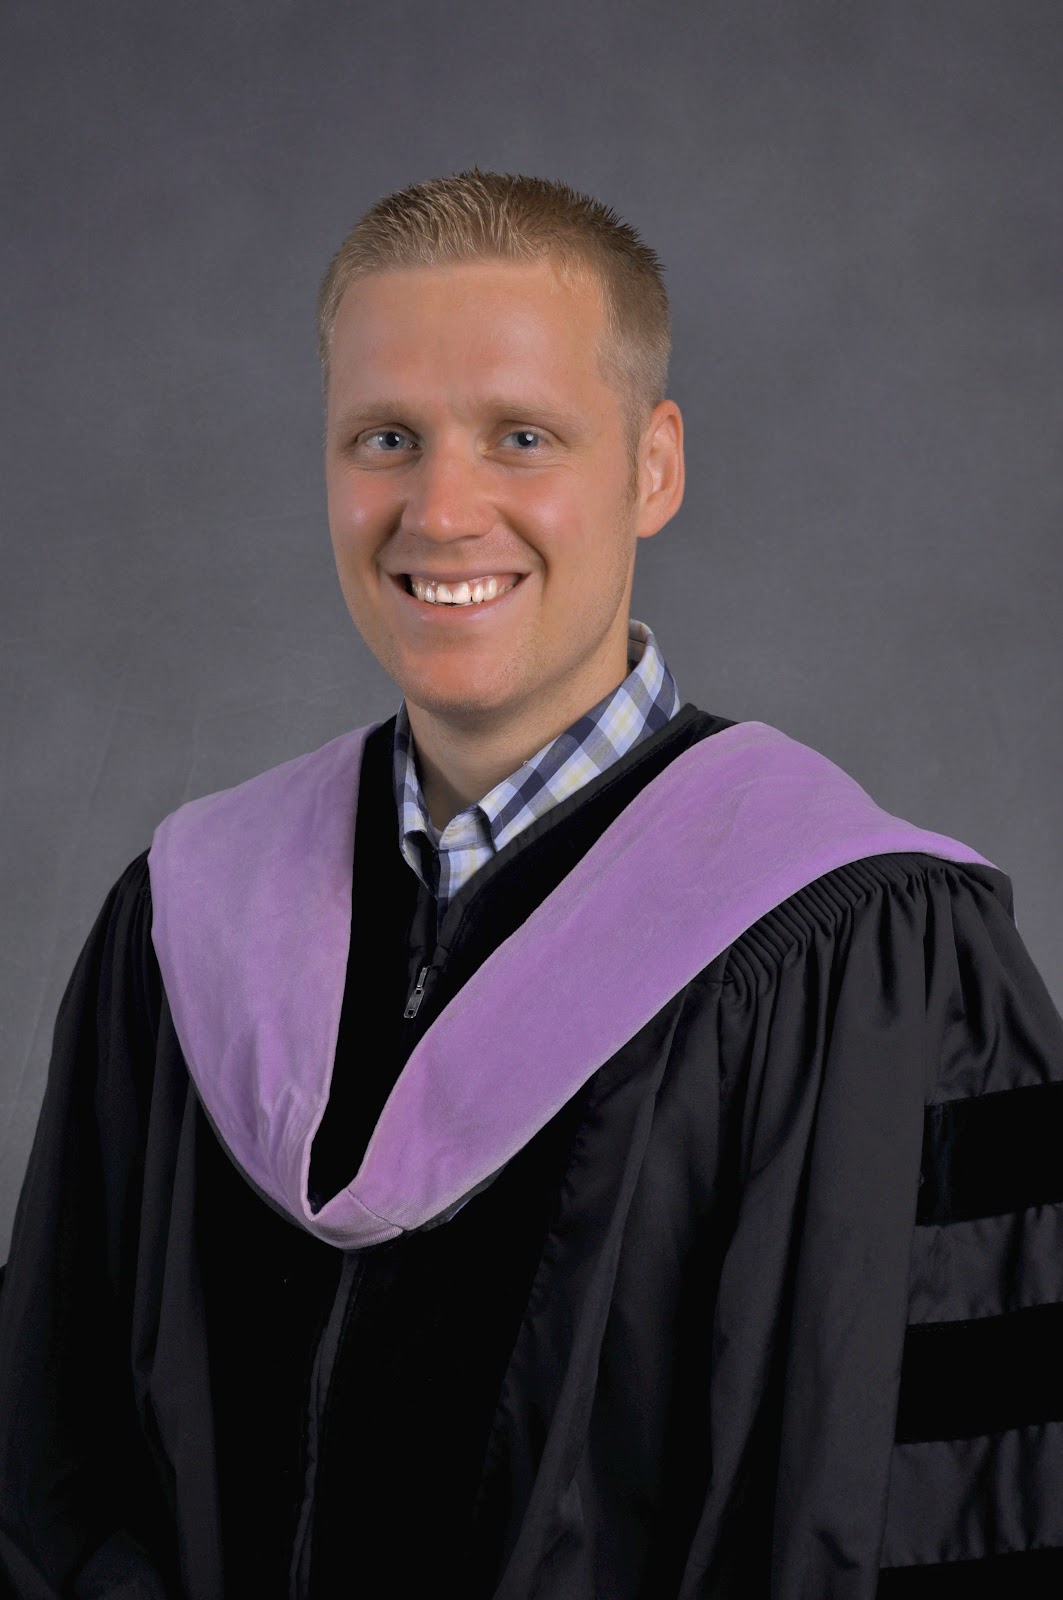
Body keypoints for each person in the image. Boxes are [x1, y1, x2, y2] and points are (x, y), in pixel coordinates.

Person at [1, 167, 1062, 1600]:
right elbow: (49, 1467)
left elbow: (942, 1508)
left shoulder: (861, 955)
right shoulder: (187, 924)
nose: (443, 511)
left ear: (652, 467)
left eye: (521, 436)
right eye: (386, 438)